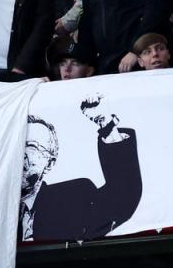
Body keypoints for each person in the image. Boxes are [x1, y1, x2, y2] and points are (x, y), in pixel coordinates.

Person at [21, 95, 141, 241]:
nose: (22, 156)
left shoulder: (72, 198)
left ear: (50, 162)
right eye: (17, 149)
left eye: (32, 148)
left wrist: (106, 125)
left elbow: (122, 200)